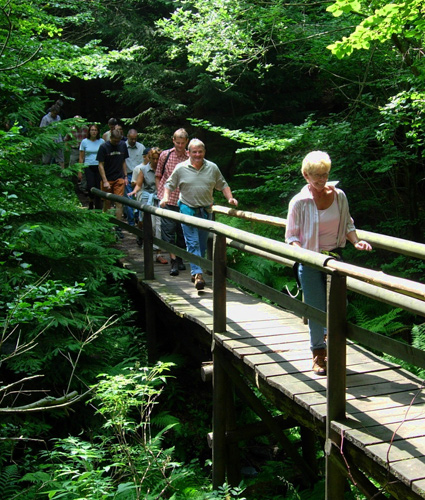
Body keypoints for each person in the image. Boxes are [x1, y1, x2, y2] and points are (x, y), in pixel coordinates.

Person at [285, 151, 372, 375]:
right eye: (317, 176)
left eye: (325, 174)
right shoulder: (299, 202)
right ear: (306, 175)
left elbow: (348, 225)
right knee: (315, 309)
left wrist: (356, 242)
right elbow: (291, 237)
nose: (322, 180)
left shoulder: (339, 196)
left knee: (336, 308)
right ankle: (318, 354)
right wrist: (302, 254)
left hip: (334, 259)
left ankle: (334, 348)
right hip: (311, 260)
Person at [160, 138, 238, 290]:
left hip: (205, 210)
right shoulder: (181, 168)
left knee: (202, 245)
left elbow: (223, 185)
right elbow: (169, 184)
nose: (197, 155)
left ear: (204, 152)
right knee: (192, 242)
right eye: (194, 152)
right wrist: (165, 197)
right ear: (188, 152)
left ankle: (196, 270)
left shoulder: (212, 168)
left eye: (200, 151)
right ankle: (198, 274)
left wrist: (230, 198)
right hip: (187, 208)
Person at [155, 128, 189, 277]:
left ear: (186, 142)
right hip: (167, 200)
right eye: (178, 142)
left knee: (182, 232)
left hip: (184, 201)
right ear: (173, 140)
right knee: (168, 231)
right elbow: (158, 175)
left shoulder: (190, 156)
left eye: (183, 143)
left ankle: (180, 257)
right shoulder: (165, 155)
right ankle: (173, 261)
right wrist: (160, 193)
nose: (180, 146)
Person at [128, 147, 167, 263]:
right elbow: (139, 184)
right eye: (153, 159)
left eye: (157, 159)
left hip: (158, 198)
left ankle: (158, 253)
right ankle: (147, 246)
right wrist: (134, 191)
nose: (155, 161)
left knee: (159, 225)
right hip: (147, 198)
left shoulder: (164, 170)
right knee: (150, 224)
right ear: (149, 158)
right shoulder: (144, 169)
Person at [96, 129, 129, 237]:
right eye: (115, 141)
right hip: (108, 178)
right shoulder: (104, 147)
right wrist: (105, 181)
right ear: (111, 139)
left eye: (118, 141)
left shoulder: (123, 145)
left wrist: (125, 176)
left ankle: (118, 227)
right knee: (107, 203)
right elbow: (100, 165)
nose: (116, 143)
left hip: (119, 178)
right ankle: (106, 225)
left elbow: (124, 161)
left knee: (119, 203)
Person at [79, 123, 104, 210]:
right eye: (92, 130)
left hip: (98, 166)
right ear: (89, 131)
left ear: (98, 132)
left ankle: (98, 205)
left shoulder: (101, 141)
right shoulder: (84, 142)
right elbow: (81, 157)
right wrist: (80, 170)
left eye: (95, 130)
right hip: (88, 166)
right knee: (90, 185)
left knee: (98, 185)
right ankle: (90, 201)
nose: (94, 132)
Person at [124, 129, 145, 226]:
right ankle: (131, 223)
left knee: (139, 198)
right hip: (127, 175)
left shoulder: (141, 147)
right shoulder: (123, 146)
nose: (133, 141)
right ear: (127, 137)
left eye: (135, 139)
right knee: (129, 199)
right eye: (131, 139)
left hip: (138, 175)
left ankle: (138, 219)